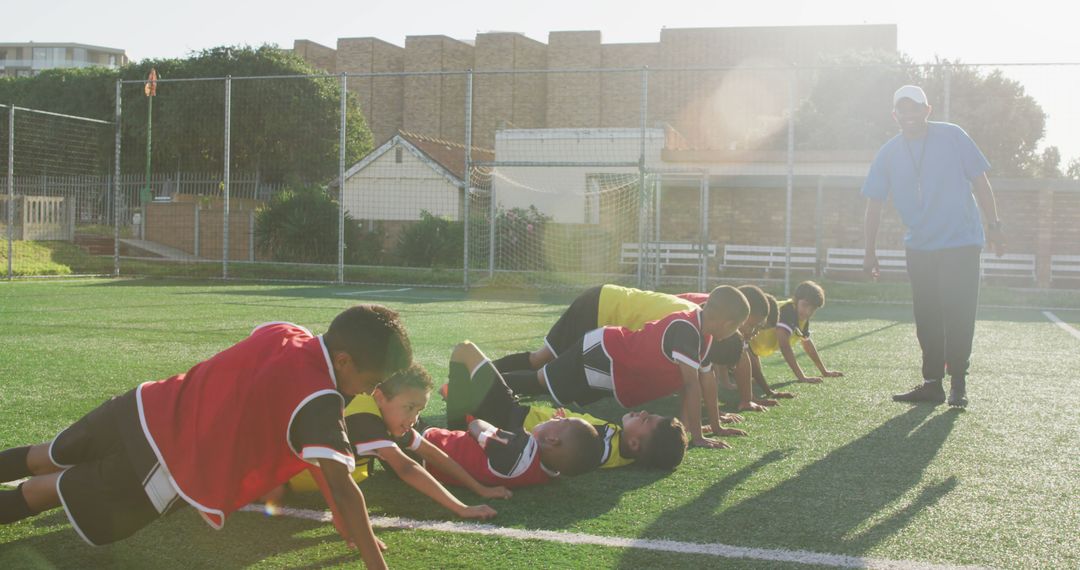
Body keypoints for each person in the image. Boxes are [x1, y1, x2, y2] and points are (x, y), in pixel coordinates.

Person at [0, 306, 413, 570]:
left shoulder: (287, 330)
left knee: (44, 457)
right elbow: (342, 487)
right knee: (46, 490)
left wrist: (340, 516)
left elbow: (319, 458)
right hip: (166, 462)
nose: (363, 392)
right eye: (369, 380)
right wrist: (375, 563)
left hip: (141, 405)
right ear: (343, 360)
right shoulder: (321, 399)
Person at [863, 84, 1003, 407]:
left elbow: (980, 180)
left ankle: (958, 384)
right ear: (894, 115)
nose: (909, 115)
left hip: (962, 242)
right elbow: (874, 204)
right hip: (921, 247)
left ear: (928, 110)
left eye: (916, 108)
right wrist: (869, 251)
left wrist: (995, 226)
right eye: (903, 110)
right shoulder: (888, 152)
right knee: (926, 315)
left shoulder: (953, 136)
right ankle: (932, 384)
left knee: (959, 311)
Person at [501, 286, 750, 449]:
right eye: (735, 328)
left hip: (612, 367)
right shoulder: (686, 329)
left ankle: (486, 383)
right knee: (539, 382)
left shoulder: (703, 336)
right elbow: (690, 384)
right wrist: (698, 437)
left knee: (544, 386)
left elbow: (706, 381)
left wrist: (716, 427)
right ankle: (479, 380)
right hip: (602, 354)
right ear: (727, 323)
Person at [280, 365, 510, 522]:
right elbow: (407, 468)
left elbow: (432, 453)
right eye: (409, 407)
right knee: (272, 491)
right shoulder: (364, 415)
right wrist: (462, 508)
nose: (414, 418)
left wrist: (480, 489)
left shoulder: (387, 417)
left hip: (309, 475)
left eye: (418, 411)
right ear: (379, 397)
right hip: (290, 474)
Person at [444, 341, 688, 471]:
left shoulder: (603, 447)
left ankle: (453, 432)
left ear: (635, 444)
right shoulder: (619, 447)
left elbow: (562, 453)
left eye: (646, 420)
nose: (643, 412)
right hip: (513, 414)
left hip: (511, 417)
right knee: (471, 378)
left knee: (465, 350)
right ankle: (460, 408)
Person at [749, 281, 843, 386]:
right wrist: (802, 377)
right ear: (795, 300)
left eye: (813, 308)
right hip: (743, 341)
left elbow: (806, 342)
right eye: (805, 305)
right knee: (747, 377)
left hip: (752, 348)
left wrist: (824, 371)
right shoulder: (786, 312)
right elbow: (785, 347)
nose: (808, 311)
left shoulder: (801, 316)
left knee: (754, 379)